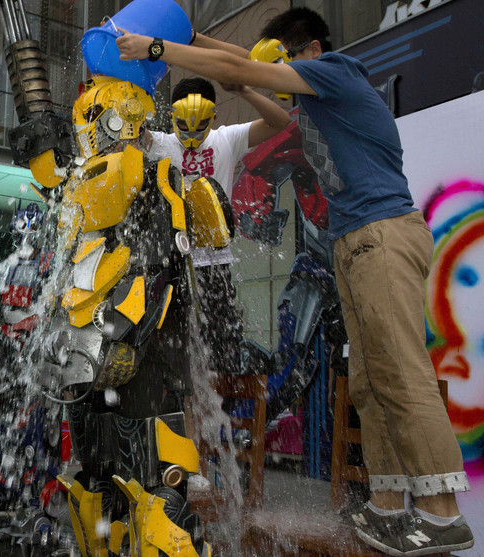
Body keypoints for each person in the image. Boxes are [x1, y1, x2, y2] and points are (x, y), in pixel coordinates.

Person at [117, 8, 474, 555]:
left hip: (381, 235)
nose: (275, 73)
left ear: (303, 51)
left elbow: (251, 71)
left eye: (280, 60)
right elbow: (243, 69)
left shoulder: (334, 70)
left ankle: (443, 513)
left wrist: (157, 51)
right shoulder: (318, 107)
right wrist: (189, 37)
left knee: (401, 370)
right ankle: (386, 504)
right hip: (354, 244)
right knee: (370, 380)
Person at [146, 76, 290, 374]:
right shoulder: (160, 143)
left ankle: (221, 408)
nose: (192, 133)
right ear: (173, 115)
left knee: (221, 347)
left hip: (215, 260)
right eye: (184, 123)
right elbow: (125, 133)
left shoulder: (226, 138)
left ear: (213, 115)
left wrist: (245, 87)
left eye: (200, 124)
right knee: (171, 349)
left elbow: (280, 121)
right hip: (172, 259)